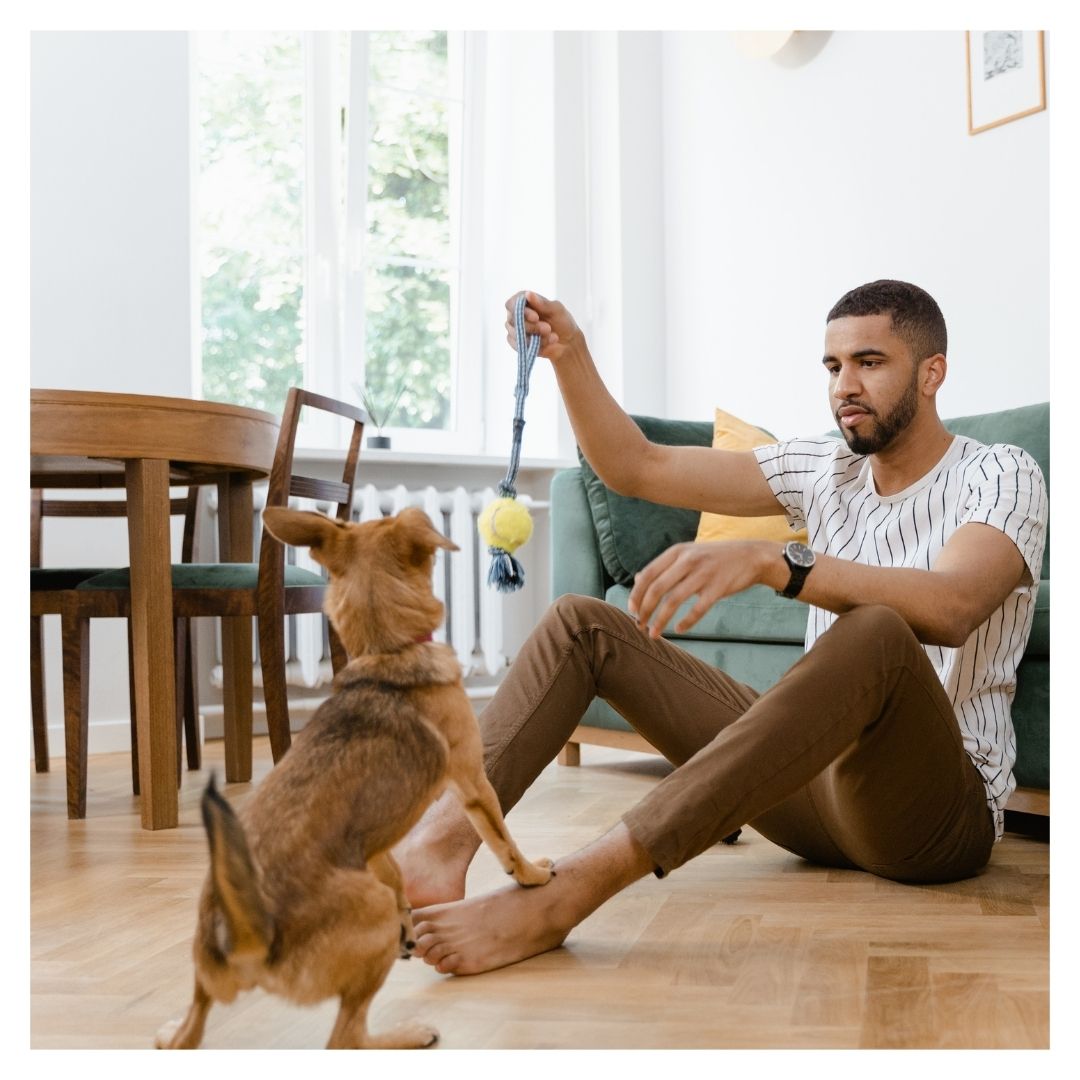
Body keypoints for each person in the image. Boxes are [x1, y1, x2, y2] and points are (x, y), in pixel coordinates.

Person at [394, 279, 1047, 977]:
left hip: (932, 821)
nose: (845, 386)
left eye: (869, 362)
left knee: (876, 633)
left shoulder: (1000, 472)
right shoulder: (823, 469)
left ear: (931, 372)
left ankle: (569, 892)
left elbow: (952, 607)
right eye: (832, 367)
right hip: (813, 804)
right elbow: (634, 466)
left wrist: (778, 561)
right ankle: (438, 846)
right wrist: (569, 355)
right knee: (582, 625)